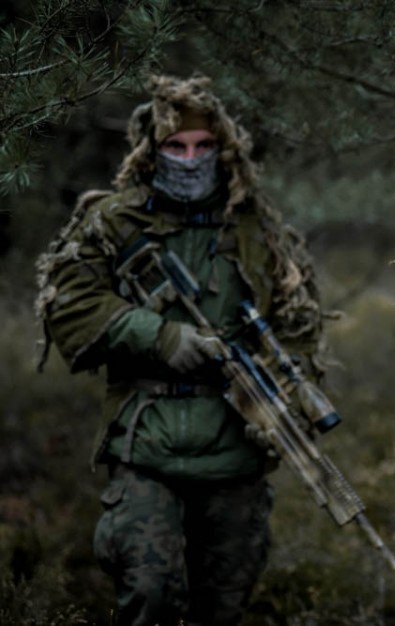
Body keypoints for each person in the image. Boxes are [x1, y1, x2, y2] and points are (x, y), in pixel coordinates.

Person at [35, 75, 325, 626]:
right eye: (176, 146)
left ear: (224, 149)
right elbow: (67, 306)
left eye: (202, 146)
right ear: (152, 150)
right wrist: (161, 336)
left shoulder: (256, 228)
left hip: (235, 447)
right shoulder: (113, 220)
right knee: (150, 595)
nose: (190, 159)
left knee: (226, 602)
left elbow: (299, 324)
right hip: (146, 443)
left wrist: (282, 398)